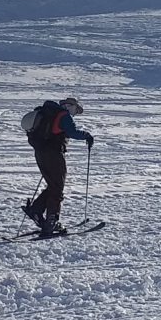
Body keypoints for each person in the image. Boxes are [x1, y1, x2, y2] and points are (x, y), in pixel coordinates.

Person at [23, 97, 94, 233]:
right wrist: (87, 136)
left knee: (53, 185)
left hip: (40, 152)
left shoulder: (48, 114)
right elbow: (72, 132)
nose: (74, 113)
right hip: (54, 154)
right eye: (75, 110)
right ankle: (52, 220)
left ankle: (36, 210)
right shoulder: (63, 115)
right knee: (57, 187)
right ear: (70, 106)